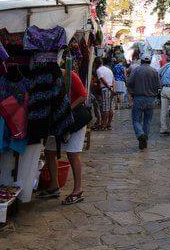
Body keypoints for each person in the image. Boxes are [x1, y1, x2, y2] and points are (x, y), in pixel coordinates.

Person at [40, 68, 88, 204]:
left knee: (73, 153)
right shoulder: (47, 78)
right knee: (49, 151)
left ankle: (77, 190)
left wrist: (67, 109)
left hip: (75, 120)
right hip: (58, 120)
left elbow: (83, 95)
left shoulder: (70, 75)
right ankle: (54, 185)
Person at [127, 52, 160, 150]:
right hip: (150, 99)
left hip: (139, 98)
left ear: (141, 61)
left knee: (136, 120)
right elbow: (159, 86)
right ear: (149, 61)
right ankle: (144, 141)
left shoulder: (136, 70)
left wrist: (132, 92)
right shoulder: (154, 71)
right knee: (147, 121)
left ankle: (140, 134)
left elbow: (129, 83)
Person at [95, 57, 115, 130]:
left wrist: (109, 88)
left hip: (106, 89)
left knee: (105, 108)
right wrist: (113, 88)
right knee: (110, 108)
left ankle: (104, 125)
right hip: (111, 88)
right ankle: (108, 124)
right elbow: (113, 79)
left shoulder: (98, 70)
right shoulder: (108, 69)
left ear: (96, 64)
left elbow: (102, 80)